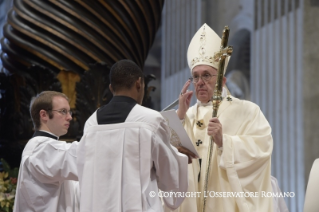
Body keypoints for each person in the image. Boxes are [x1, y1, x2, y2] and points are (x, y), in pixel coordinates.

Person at [171, 23, 274, 211]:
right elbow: (167, 160)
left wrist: (224, 143)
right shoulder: (187, 115)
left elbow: (262, 148)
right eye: (195, 76)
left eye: (207, 76)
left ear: (222, 80)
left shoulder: (247, 111)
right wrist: (179, 117)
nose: (200, 82)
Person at [77, 59, 191, 212]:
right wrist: (180, 158)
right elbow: (169, 176)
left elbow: (84, 174)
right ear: (139, 83)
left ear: (111, 88)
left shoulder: (91, 124)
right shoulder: (151, 120)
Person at [14, 91, 79, 212]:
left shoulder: (44, 146)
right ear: (43, 115)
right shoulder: (41, 148)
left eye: (69, 111)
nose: (70, 117)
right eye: (63, 111)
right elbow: (81, 157)